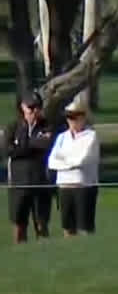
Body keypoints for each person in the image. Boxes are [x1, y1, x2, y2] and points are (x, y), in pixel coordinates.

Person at [5, 91, 58, 243]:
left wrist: (21, 146)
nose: (35, 111)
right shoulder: (13, 127)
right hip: (18, 184)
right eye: (31, 107)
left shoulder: (46, 125)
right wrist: (32, 144)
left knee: (42, 225)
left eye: (38, 107)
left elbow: (46, 145)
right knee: (19, 224)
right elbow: (8, 151)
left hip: (40, 182)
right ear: (23, 107)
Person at [47, 101, 100, 235]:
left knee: (85, 227)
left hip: (84, 186)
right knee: (67, 227)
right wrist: (70, 163)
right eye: (69, 118)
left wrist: (64, 160)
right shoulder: (62, 137)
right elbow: (52, 162)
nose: (71, 121)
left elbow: (81, 160)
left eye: (74, 117)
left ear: (82, 117)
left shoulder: (91, 136)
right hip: (64, 185)